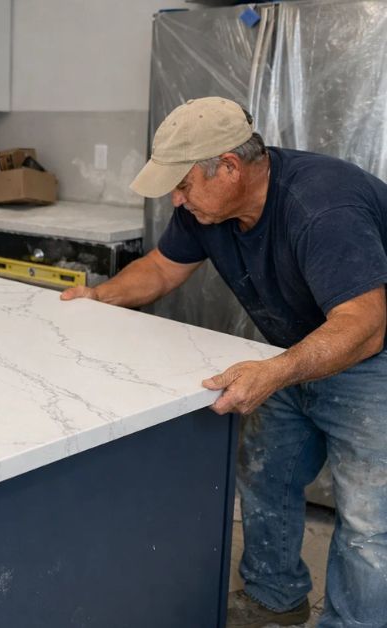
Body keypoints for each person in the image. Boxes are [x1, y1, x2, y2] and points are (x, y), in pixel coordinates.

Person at [62, 97, 387, 628]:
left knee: (372, 520)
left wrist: (277, 370)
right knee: (265, 475)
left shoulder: (322, 206)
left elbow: (364, 326)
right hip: (293, 351)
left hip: (372, 357)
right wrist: (101, 297)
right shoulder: (207, 209)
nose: (177, 197)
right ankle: (274, 599)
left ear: (230, 167)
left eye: (184, 184)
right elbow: (163, 270)